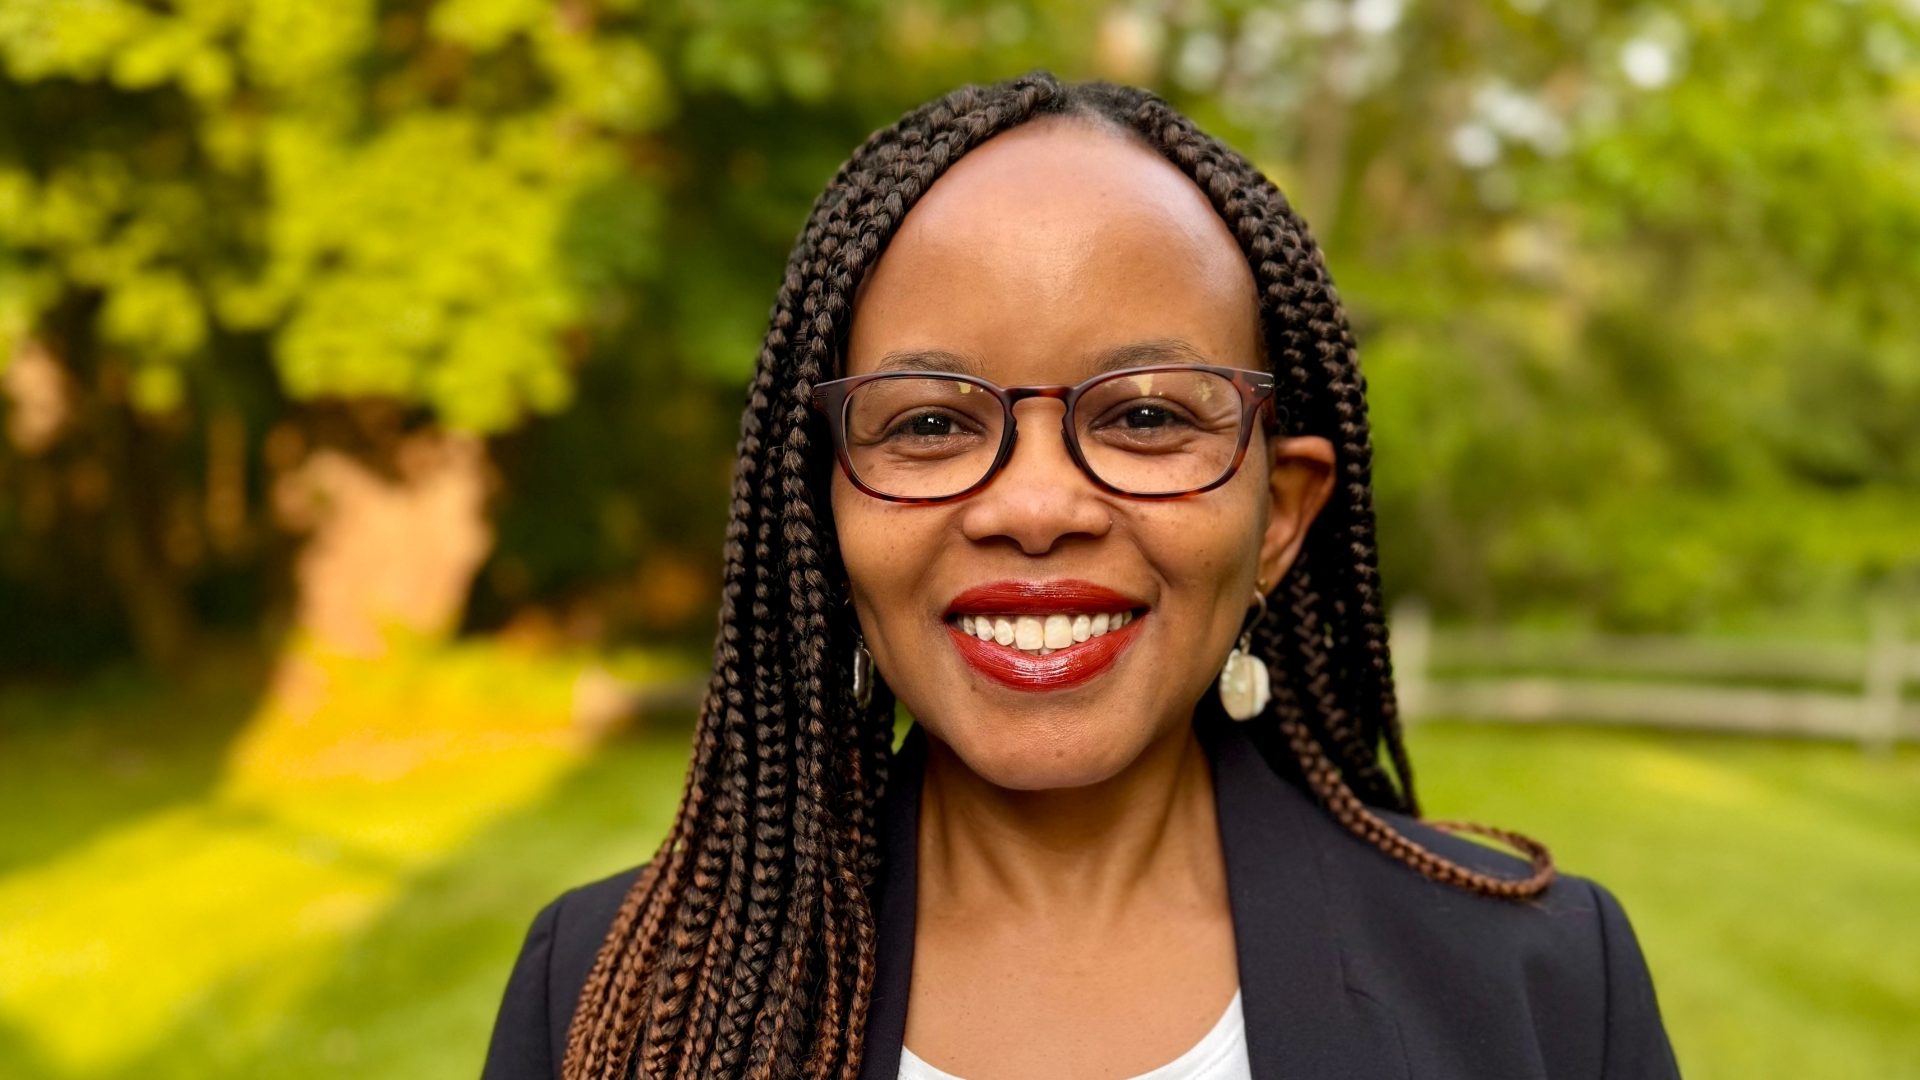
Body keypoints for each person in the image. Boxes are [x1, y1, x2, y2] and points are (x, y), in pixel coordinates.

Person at [481, 71, 1681, 1080]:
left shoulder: (1539, 986)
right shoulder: (612, 1003)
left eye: (1147, 416)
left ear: (1279, 514)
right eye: (930, 423)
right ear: (825, 513)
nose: (1038, 507)